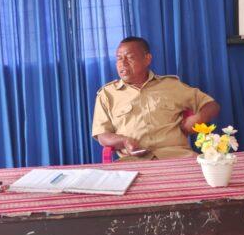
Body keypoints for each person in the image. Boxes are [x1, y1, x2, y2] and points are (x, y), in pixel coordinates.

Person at [92, 37, 221, 160]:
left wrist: (197, 119)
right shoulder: (107, 94)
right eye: (119, 58)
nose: (122, 63)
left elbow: (211, 105)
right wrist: (124, 141)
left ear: (147, 59)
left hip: (177, 156)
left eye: (130, 57)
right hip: (134, 160)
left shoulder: (171, 85)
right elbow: (102, 135)